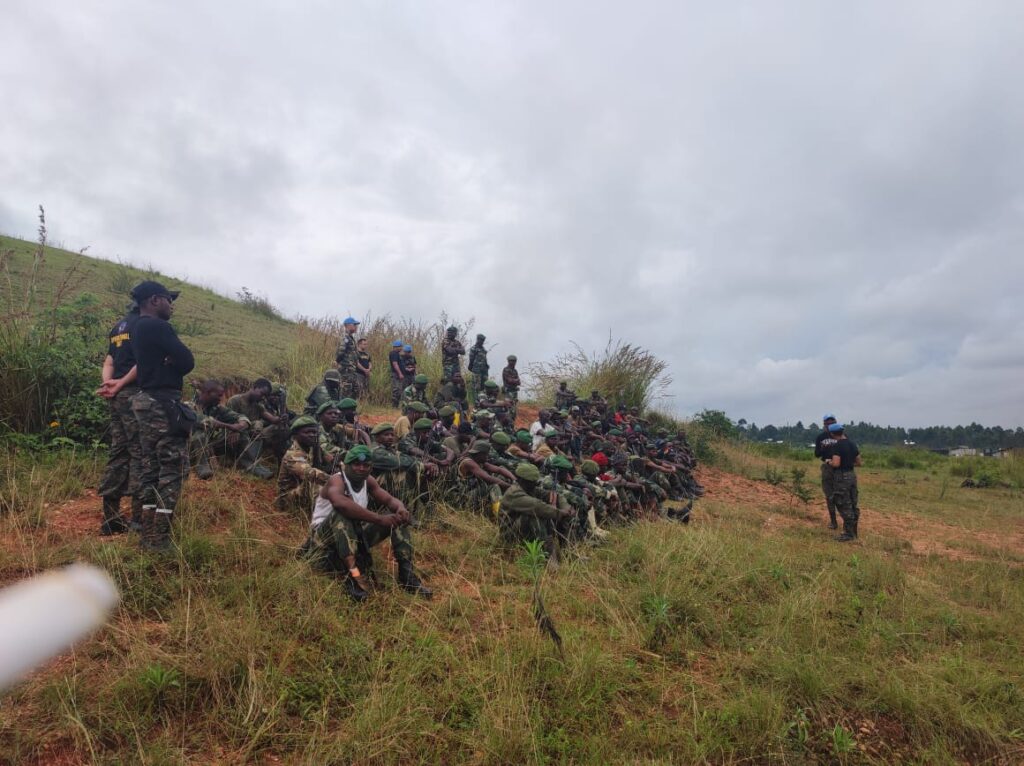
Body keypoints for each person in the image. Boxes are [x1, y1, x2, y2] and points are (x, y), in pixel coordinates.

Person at [302, 445, 432, 602]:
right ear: (346, 466)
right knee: (342, 513)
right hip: (323, 542)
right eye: (356, 464)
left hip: (350, 535)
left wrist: (400, 509)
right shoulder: (337, 480)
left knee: (396, 520)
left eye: (366, 465)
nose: (361, 468)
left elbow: (390, 500)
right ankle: (353, 577)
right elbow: (340, 503)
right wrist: (378, 518)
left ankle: (407, 576)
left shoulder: (368, 481)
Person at [129, 280, 195, 551]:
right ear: (155, 300)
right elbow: (187, 360)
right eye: (169, 300)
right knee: (171, 468)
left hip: (145, 401)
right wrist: (172, 361)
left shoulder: (136, 327)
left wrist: (170, 360)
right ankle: (159, 539)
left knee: (151, 467)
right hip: (162, 402)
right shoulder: (158, 326)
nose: (172, 306)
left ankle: (147, 533)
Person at [95, 301, 142, 536]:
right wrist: (122, 383)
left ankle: (110, 518)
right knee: (140, 453)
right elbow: (143, 362)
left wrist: (108, 384)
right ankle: (138, 519)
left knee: (118, 452)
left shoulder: (117, 328)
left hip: (116, 395)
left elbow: (109, 361)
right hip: (135, 394)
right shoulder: (145, 326)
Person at [188, 380, 273, 480]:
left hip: (209, 446)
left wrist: (240, 426)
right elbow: (206, 421)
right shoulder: (188, 406)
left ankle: (251, 465)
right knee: (200, 434)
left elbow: (240, 416)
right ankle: (201, 466)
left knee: (241, 433)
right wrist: (231, 426)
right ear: (208, 392)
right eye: (219, 395)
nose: (221, 399)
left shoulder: (216, 408)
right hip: (189, 449)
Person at [498, 463, 573, 560]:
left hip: (521, 531)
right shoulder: (514, 493)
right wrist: (560, 513)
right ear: (521, 480)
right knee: (534, 516)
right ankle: (548, 557)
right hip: (509, 535)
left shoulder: (529, 488)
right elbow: (537, 506)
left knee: (555, 516)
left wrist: (566, 508)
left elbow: (556, 495)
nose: (535, 484)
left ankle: (566, 552)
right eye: (532, 482)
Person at [275, 416, 331, 515]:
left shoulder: (313, 448)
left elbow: (331, 458)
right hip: (287, 500)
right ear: (296, 435)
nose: (312, 435)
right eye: (307, 432)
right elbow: (310, 473)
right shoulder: (292, 455)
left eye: (314, 432)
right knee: (317, 485)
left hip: (302, 491)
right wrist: (336, 480)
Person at [227, 378, 290, 463]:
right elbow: (228, 421)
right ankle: (244, 459)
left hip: (254, 437)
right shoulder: (235, 400)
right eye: (262, 394)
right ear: (254, 387)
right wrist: (234, 431)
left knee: (279, 428)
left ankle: (284, 460)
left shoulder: (258, 405)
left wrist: (282, 418)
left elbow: (273, 420)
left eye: (265, 396)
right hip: (237, 434)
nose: (263, 398)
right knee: (257, 424)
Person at [823, 423, 861, 542]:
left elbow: (836, 464)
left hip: (841, 477)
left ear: (833, 434)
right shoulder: (852, 444)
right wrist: (848, 462)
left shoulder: (838, 446)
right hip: (852, 475)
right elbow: (859, 462)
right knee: (853, 502)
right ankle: (853, 531)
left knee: (843, 503)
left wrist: (829, 462)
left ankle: (848, 534)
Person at [814, 413, 840, 530]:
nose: (830, 425)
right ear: (824, 424)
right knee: (829, 495)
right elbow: (817, 454)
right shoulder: (821, 437)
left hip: (840, 467)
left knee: (842, 495)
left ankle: (847, 521)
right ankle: (833, 521)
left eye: (832, 423)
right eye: (827, 423)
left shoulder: (841, 436)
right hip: (827, 467)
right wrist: (823, 448)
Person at [335, 316, 361, 398]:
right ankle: (343, 409)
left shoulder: (350, 338)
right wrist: (337, 362)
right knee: (346, 390)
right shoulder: (346, 338)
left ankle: (350, 409)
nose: (356, 327)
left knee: (354, 389)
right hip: (346, 369)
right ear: (348, 326)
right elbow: (341, 352)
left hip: (351, 369)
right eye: (354, 325)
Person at [467, 333, 488, 402]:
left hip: (484, 371)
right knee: (477, 387)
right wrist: (471, 368)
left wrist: (486, 366)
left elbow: (485, 359)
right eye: (480, 340)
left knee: (484, 387)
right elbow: (471, 359)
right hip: (477, 370)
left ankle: (483, 401)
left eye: (483, 340)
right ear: (477, 339)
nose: (481, 341)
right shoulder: (474, 348)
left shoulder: (483, 349)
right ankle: (476, 402)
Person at [388, 340, 404, 407]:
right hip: (396, 374)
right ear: (397, 347)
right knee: (396, 389)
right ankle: (394, 406)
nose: (401, 348)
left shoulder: (397, 354)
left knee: (399, 390)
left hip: (398, 374)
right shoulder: (394, 353)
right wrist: (400, 373)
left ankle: (396, 405)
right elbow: (395, 364)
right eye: (400, 346)